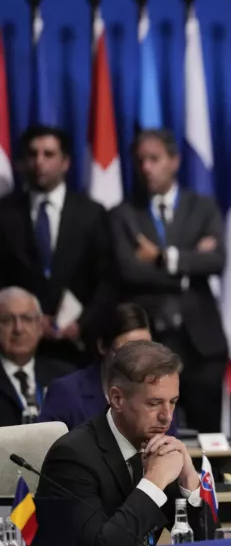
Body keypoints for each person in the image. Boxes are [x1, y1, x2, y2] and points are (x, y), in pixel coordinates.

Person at [32, 340, 212, 546]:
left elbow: (211, 544)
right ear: (117, 398)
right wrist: (153, 482)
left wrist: (189, 481)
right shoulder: (72, 458)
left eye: (172, 402)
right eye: (154, 403)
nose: (167, 416)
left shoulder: (160, 450)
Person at [109, 130, 227, 432]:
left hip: (202, 345)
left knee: (208, 441)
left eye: (154, 159)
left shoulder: (202, 207)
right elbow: (129, 271)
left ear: (174, 161)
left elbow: (216, 260)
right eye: (141, 161)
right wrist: (188, 266)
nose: (146, 167)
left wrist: (162, 258)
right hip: (151, 342)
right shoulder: (124, 214)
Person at [0, 125, 116, 368]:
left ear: (65, 162)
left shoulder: (91, 213)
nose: (39, 162)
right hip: (17, 347)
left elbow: (107, 280)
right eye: (33, 154)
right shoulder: (5, 212)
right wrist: (27, 319)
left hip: (79, 349)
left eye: (48, 154)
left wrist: (81, 324)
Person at [39, 303, 178, 435]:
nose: (139, 362)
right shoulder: (66, 393)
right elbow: (45, 453)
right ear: (102, 347)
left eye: (147, 351)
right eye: (128, 352)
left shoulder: (161, 392)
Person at [0, 287, 73, 426]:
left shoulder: (66, 376)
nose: (18, 329)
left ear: (40, 327)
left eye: (27, 319)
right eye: (7, 320)